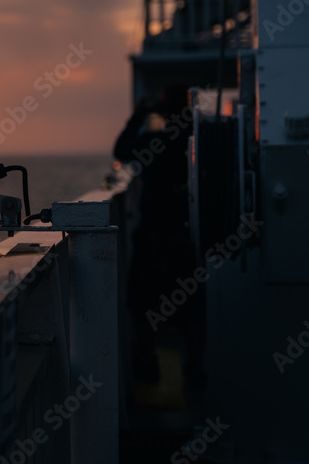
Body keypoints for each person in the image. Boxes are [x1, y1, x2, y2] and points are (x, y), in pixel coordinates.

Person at [114, 83, 205, 388]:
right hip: (187, 238)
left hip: (152, 239)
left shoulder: (156, 142)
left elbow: (121, 149)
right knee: (191, 309)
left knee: (141, 304)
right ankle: (195, 370)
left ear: (164, 110)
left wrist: (139, 114)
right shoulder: (202, 141)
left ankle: (147, 368)